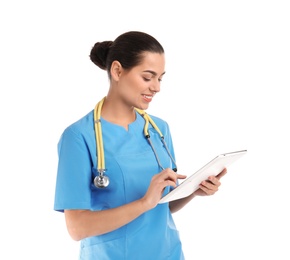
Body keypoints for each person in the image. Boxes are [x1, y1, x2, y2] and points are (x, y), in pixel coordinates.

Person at [53, 31, 227, 260]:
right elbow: (77, 228)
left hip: (169, 254)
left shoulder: (159, 129)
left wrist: (195, 190)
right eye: (148, 77)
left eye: (160, 78)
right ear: (117, 71)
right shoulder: (78, 137)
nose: (156, 87)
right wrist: (144, 202)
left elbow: (162, 205)